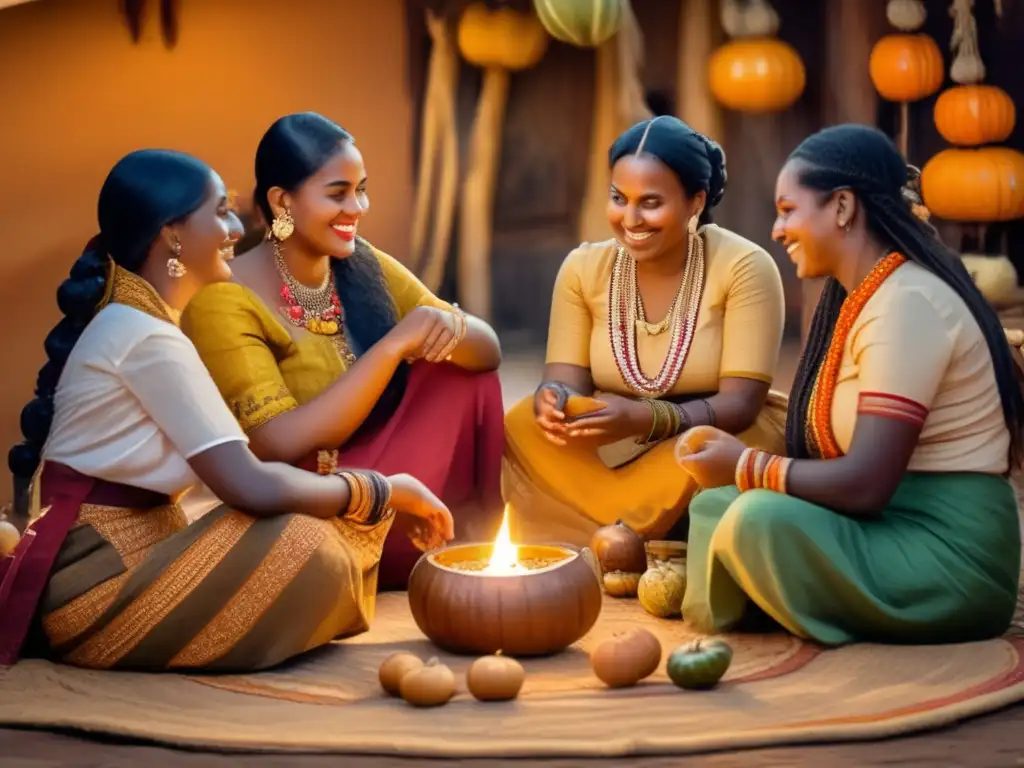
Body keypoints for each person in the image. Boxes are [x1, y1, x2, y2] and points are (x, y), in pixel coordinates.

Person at [0, 149, 454, 672]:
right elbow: (250, 485)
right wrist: (383, 489)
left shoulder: (142, 323)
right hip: (95, 590)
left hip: (125, 555)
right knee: (305, 542)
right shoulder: (144, 336)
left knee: (311, 514)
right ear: (173, 234)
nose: (237, 227)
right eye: (220, 212)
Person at [678, 124, 1023, 646]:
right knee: (714, 506)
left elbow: (866, 484)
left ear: (841, 207)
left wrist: (746, 464)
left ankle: (771, 601)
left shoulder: (908, 304)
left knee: (756, 518)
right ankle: (753, 610)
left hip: (948, 554)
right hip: (886, 522)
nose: (777, 229)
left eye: (789, 210)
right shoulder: (867, 295)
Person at [180, 113, 505, 590]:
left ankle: (464, 538)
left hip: (390, 465)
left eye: (362, 189)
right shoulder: (224, 298)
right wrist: (395, 345)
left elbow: (488, 352)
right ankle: (396, 553)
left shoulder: (359, 265)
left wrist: (447, 325)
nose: (357, 207)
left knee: (461, 375)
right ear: (281, 201)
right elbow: (276, 442)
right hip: (311, 498)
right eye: (338, 194)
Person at [503, 116, 788, 546]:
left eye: (651, 203)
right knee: (523, 422)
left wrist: (646, 417)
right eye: (619, 198)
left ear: (696, 201)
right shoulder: (583, 268)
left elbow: (741, 404)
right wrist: (556, 400)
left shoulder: (744, 267)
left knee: (707, 450)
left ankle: (606, 533)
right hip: (615, 438)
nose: (630, 219)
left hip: (708, 432)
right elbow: (566, 379)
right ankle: (629, 532)